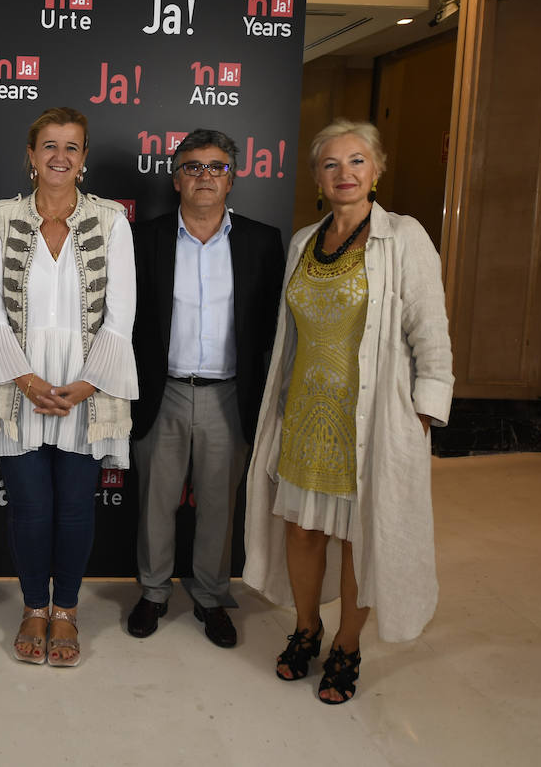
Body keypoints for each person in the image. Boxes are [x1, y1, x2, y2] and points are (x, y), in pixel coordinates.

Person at [243, 119, 453, 704]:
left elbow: (430, 332)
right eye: (331, 164)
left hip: (371, 418)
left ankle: (347, 647)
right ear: (316, 176)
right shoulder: (302, 241)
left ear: (378, 169)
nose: (344, 174)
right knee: (303, 528)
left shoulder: (405, 237)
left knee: (365, 535)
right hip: (305, 414)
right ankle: (306, 628)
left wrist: (426, 411)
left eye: (357, 161)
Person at [0, 106, 137, 666]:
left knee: (76, 508)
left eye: (72, 147)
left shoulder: (112, 222)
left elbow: (121, 315)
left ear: (84, 159)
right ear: (30, 156)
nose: (60, 156)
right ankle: (33, 606)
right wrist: (26, 378)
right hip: (19, 383)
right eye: (49, 146)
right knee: (32, 507)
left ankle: (66, 612)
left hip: (88, 385)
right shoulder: (0, 220)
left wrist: (86, 384)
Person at [126, 129, 284, 648]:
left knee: (219, 503)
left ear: (232, 178)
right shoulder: (142, 238)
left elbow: (272, 329)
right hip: (162, 390)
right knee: (155, 503)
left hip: (228, 394)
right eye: (192, 167)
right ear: (176, 180)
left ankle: (212, 597)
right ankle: (153, 592)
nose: (204, 176)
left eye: (216, 167)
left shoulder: (262, 241)